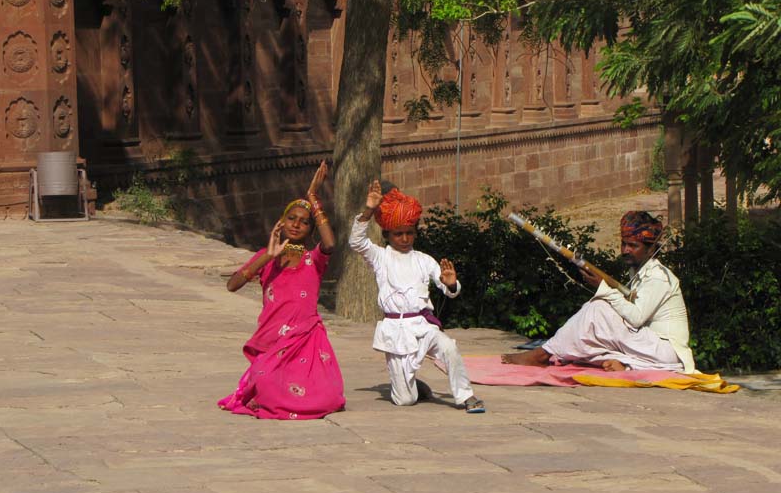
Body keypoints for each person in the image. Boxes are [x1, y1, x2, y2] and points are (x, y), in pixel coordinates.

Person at [218, 161, 346, 419]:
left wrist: (313, 199)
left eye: (304, 222)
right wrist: (268, 256)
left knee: (329, 397)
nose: (297, 224)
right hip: (272, 340)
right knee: (266, 385)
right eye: (292, 218)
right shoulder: (267, 258)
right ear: (281, 222)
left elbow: (330, 243)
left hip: (306, 339)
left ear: (310, 230)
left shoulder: (314, 260)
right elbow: (232, 285)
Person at [349, 180, 486, 413]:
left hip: (423, 325)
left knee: (449, 347)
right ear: (387, 234)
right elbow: (357, 242)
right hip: (395, 330)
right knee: (405, 400)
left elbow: (448, 289)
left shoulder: (424, 260)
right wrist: (370, 209)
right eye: (398, 233)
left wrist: (451, 284)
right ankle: (415, 387)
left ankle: (465, 396)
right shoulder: (380, 258)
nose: (404, 239)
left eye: (409, 233)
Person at [502, 211, 695, 373]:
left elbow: (636, 318)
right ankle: (622, 364)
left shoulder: (658, 278)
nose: (626, 250)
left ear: (651, 248)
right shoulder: (638, 271)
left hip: (666, 351)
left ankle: (543, 354)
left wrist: (604, 288)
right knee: (596, 319)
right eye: (624, 244)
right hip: (645, 344)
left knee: (598, 309)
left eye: (633, 246)